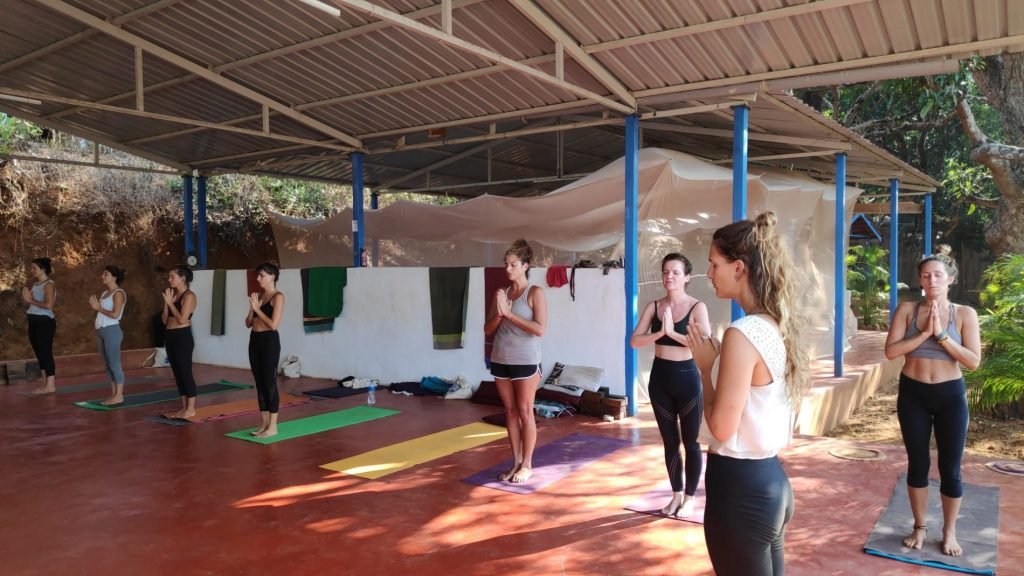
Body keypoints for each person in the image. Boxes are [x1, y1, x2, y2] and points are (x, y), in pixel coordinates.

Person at [687, 212, 809, 576]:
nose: (708, 273)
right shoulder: (775, 323)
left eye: (714, 264)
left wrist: (706, 369)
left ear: (739, 267)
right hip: (769, 480)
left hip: (740, 490)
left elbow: (722, 428)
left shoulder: (743, 333)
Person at [884, 245, 981, 557]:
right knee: (918, 463)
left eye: (938, 274)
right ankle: (920, 526)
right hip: (913, 394)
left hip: (950, 396)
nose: (932, 280)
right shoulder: (907, 311)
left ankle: (949, 531)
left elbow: (973, 361)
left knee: (950, 468)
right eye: (926, 275)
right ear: (920, 280)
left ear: (950, 279)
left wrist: (941, 335)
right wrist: (924, 333)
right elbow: (891, 351)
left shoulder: (965, 314)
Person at [630, 253, 711, 518]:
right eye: (666, 272)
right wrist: (658, 333)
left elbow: (706, 344)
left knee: (691, 442)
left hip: (687, 379)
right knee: (669, 441)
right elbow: (634, 341)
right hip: (660, 380)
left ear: (687, 277)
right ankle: (675, 495)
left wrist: (672, 333)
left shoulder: (697, 307)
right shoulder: (654, 307)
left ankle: (690, 497)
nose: (669, 277)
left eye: (675, 272)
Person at [484, 239, 547, 483]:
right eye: (506, 264)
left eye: (513, 265)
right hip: (501, 358)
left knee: (524, 411)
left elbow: (540, 329)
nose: (507, 269)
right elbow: (488, 329)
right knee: (509, 412)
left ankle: (528, 465)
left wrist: (510, 313)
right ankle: (516, 462)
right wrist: (500, 314)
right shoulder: (501, 294)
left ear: (525, 266)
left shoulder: (535, 293)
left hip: (526, 360)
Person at [245, 262, 285, 438]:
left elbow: (273, 325)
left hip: (269, 342)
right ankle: (264, 424)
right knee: (259, 383)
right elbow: (248, 323)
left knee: (269, 383)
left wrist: (257, 309)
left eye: (262, 275)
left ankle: (273, 426)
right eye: (258, 275)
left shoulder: (278, 297)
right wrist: (252, 310)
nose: (258, 278)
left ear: (272, 277)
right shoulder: (260, 296)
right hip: (254, 340)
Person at [162, 265, 198, 419]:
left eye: (172, 277)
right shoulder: (173, 296)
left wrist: (170, 304)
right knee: (177, 373)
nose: (169, 279)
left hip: (182, 336)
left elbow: (183, 319)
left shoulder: (189, 296)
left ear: (182, 278)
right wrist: (166, 304)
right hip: (170, 335)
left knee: (185, 371)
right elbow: (164, 320)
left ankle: (191, 408)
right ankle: (184, 407)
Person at [89, 265, 127, 405]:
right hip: (101, 331)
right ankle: (114, 394)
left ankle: (119, 395)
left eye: (106, 274)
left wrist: (99, 308)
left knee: (114, 364)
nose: (102, 276)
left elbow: (115, 314)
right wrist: (99, 309)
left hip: (112, 331)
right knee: (107, 365)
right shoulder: (104, 294)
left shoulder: (119, 293)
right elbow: (103, 313)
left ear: (114, 277)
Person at [22, 257, 57, 395]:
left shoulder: (49, 284)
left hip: (45, 322)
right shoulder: (36, 284)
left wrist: (30, 300)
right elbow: (33, 303)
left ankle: (51, 385)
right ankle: (45, 384)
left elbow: (48, 305)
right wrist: (28, 300)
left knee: (45, 352)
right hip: (33, 320)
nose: (32, 271)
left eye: (34, 268)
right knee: (39, 352)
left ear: (43, 269)